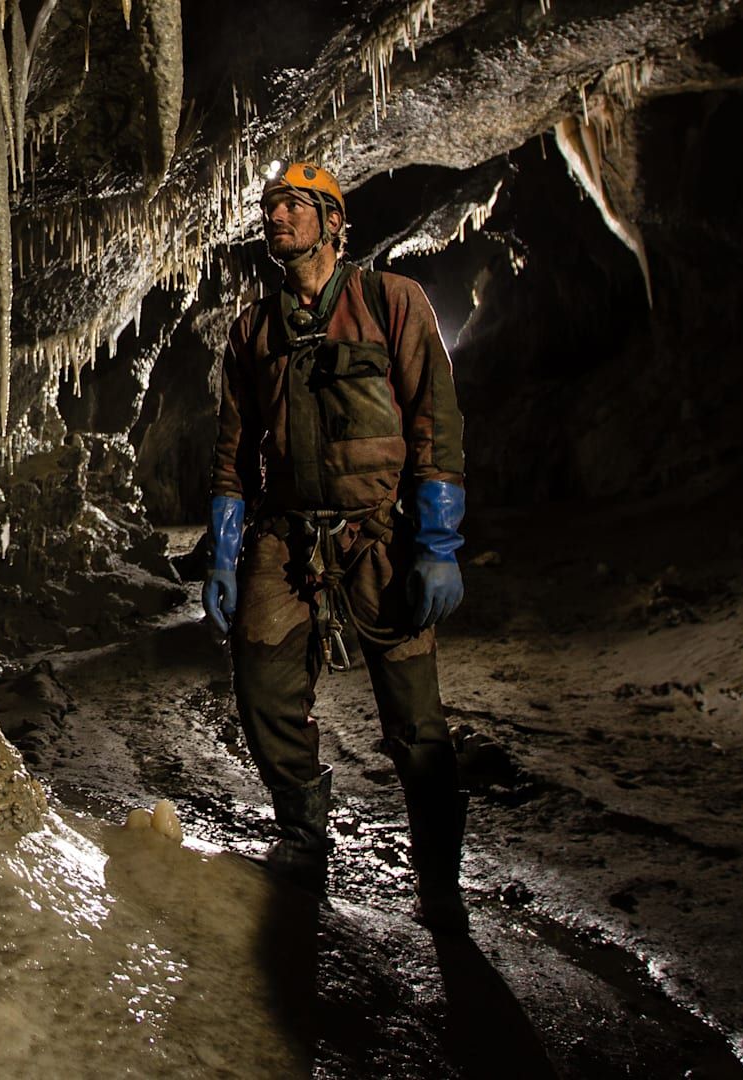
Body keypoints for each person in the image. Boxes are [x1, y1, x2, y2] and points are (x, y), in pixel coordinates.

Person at [205, 161, 471, 934]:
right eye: (270, 207)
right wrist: (225, 553)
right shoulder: (253, 330)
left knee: (415, 715)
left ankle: (439, 878)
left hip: (380, 532)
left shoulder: (393, 302)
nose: (276, 217)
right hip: (287, 533)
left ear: (332, 221)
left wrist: (439, 542)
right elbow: (232, 453)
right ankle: (303, 834)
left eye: (295, 205)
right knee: (261, 682)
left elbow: (435, 423)